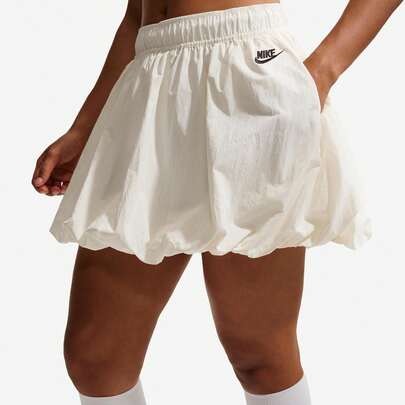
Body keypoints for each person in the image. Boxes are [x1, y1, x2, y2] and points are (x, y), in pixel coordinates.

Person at [31, 0, 401, 404]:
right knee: (95, 357)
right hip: (149, 79)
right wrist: (84, 126)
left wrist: (323, 71)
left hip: (246, 72)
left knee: (258, 354)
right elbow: (136, 16)